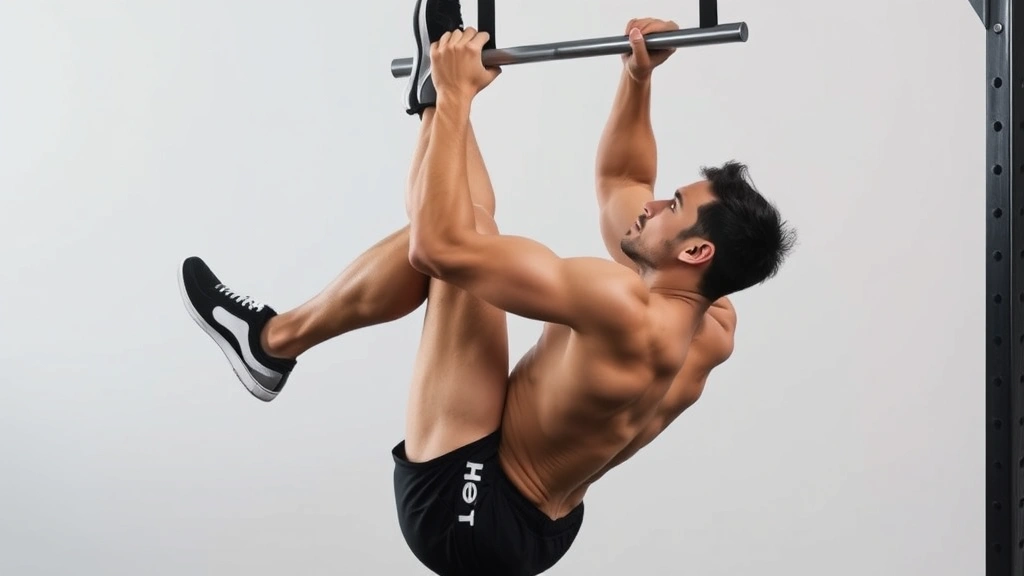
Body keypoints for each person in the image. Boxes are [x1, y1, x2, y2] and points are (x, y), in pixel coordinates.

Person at [177, 1, 796, 574]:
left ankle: (270, 341)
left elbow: (435, 248)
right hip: (545, 528)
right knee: (473, 228)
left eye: (675, 204)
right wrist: (638, 78)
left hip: (465, 512)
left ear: (695, 250)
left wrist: (453, 99)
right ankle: (436, 70)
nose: (656, 201)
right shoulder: (711, 326)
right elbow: (623, 180)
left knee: (459, 245)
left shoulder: (624, 307)